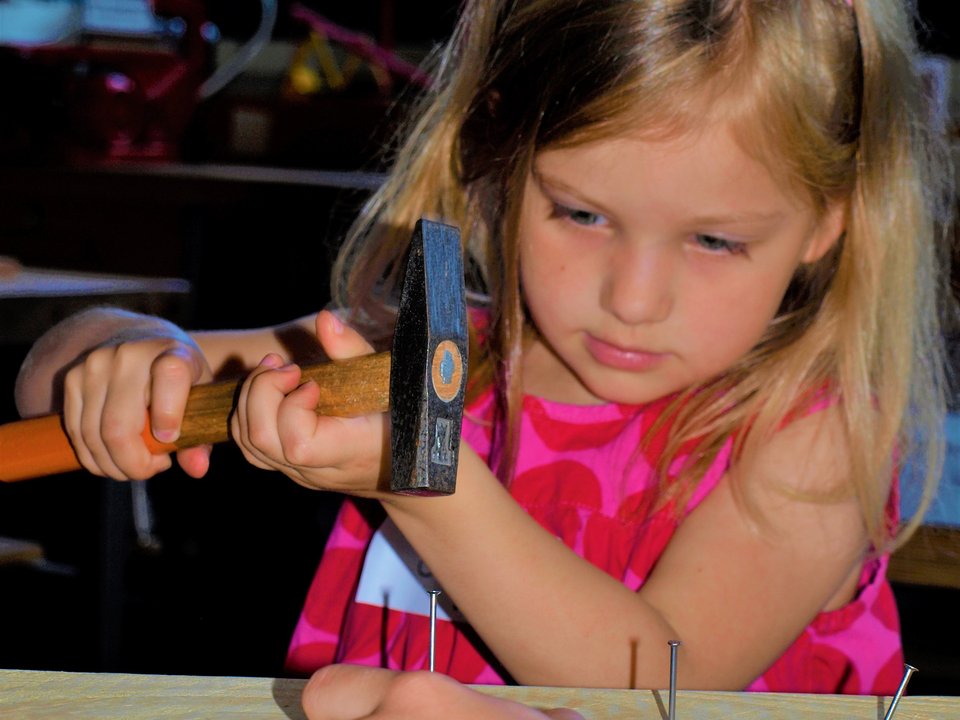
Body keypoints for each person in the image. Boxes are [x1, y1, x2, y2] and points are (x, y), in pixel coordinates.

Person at [13, 0, 953, 705]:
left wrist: (425, 480)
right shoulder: (431, 353)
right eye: (581, 214)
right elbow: (44, 390)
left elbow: (666, 681)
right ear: (499, 162)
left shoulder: (810, 441)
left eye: (714, 242)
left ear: (826, 225)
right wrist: (125, 354)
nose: (632, 299)